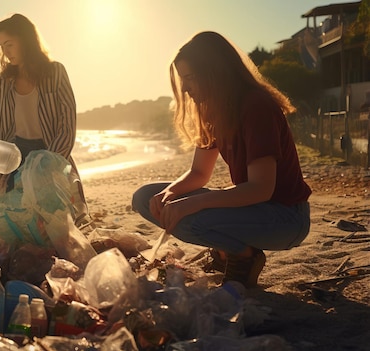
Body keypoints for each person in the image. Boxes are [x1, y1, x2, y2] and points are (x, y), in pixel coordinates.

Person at [131, 31, 312, 288]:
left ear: (215, 72)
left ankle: (243, 255)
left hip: (286, 217)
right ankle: (226, 249)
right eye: (182, 80)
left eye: (190, 78)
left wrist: (192, 205)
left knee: (189, 218)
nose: (184, 88)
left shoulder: (256, 106)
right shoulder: (215, 110)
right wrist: (170, 193)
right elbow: (198, 174)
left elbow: (261, 189)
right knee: (145, 197)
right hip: (250, 209)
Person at [0, 13, 89, 226]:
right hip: (15, 154)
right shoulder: (1, 82)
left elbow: (67, 124)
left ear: (26, 40)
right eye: (1, 46)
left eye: (9, 44)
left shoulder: (55, 72)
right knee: (12, 217)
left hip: (51, 150)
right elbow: (1, 130)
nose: (5, 51)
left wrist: (50, 163)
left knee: (55, 219)